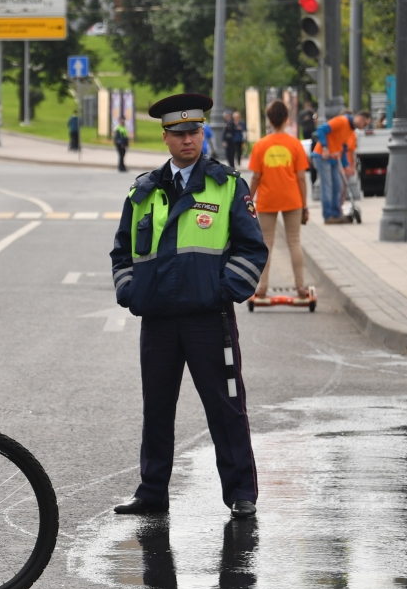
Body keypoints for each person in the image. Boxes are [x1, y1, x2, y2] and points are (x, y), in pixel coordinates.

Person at [110, 93, 269, 519]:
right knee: (157, 409)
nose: (188, 140)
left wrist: (225, 289)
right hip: (159, 320)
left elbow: (252, 249)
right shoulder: (143, 191)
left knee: (226, 406)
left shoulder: (226, 185)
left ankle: (240, 493)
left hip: (208, 319)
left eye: (194, 132)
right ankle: (152, 492)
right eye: (179, 133)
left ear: (203, 133)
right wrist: (130, 292)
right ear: (165, 137)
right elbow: (122, 252)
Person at [247, 100, 310, 300]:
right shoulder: (295, 144)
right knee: (294, 242)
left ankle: (262, 287)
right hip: (292, 199)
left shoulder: (261, 145)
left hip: (267, 199)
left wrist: (247, 200)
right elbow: (301, 177)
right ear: (286, 119)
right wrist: (304, 204)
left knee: (266, 244)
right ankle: (300, 286)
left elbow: (256, 177)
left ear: (269, 120)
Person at [311, 111, 370, 224]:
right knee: (327, 186)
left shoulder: (350, 130)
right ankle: (328, 216)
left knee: (337, 186)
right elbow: (321, 130)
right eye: (365, 124)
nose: (364, 127)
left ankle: (336, 214)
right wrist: (325, 147)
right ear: (361, 118)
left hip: (334, 158)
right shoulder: (342, 121)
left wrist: (346, 165)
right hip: (322, 157)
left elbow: (342, 147)